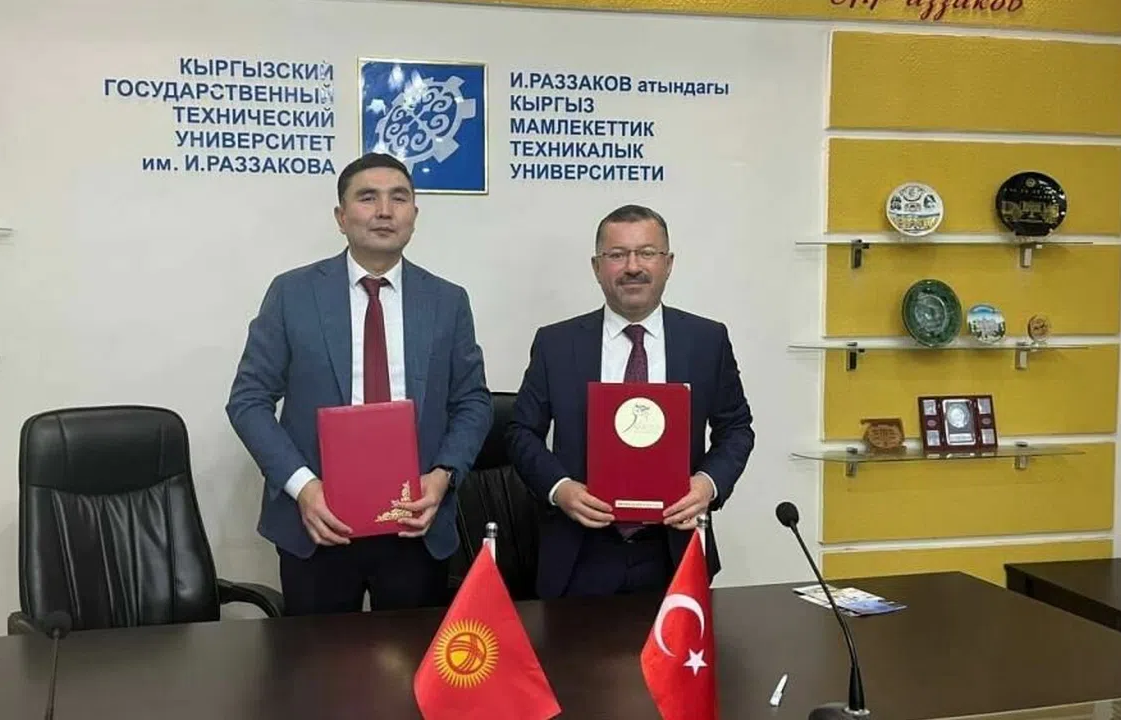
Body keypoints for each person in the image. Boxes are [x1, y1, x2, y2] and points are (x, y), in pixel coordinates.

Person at [226, 153, 493, 616]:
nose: (385, 211)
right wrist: (303, 487)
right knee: (318, 659)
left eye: (399, 198)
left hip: (415, 524)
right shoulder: (292, 294)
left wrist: (443, 476)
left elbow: (473, 401)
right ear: (341, 216)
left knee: (411, 657)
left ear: (414, 214)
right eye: (368, 197)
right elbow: (248, 401)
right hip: (317, 522)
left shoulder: (447, 301)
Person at [506, 203, 754, 599]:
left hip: (673, 549)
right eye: (617, 255)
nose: (632, 267)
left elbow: (736, 428)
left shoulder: (707, 341)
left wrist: (707, 485)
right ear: (596, 267)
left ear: (668, 263)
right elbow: (520, 432)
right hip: (579, 552)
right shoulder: (556, 343)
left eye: (647, 253)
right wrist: (560, 489)